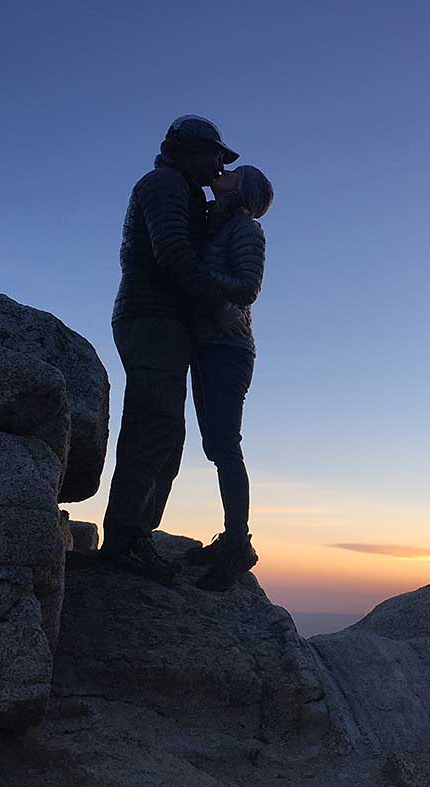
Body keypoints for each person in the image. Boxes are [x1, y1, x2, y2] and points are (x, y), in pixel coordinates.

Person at [100, 115, 246, 585]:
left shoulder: (183, 190)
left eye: (223, 160)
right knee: (153, 424)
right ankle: (125, 541)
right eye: (214, 155)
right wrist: (217, 303)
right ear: (181, 149)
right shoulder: (164, 183)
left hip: (162, 322)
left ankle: (137, 534)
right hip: (150, 318)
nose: (218, 166)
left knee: (165, 429)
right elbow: (171, 252)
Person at [184, 165, 274, 590]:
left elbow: (247, 287)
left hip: (229, 348)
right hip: (208, 344)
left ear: (243, 191)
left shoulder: (246, 229)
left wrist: (196, 276)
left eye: (235, 172)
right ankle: (233, 539)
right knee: (216, 446)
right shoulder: (214, 223)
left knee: (225, 446)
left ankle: (238, 544)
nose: (225, 171)